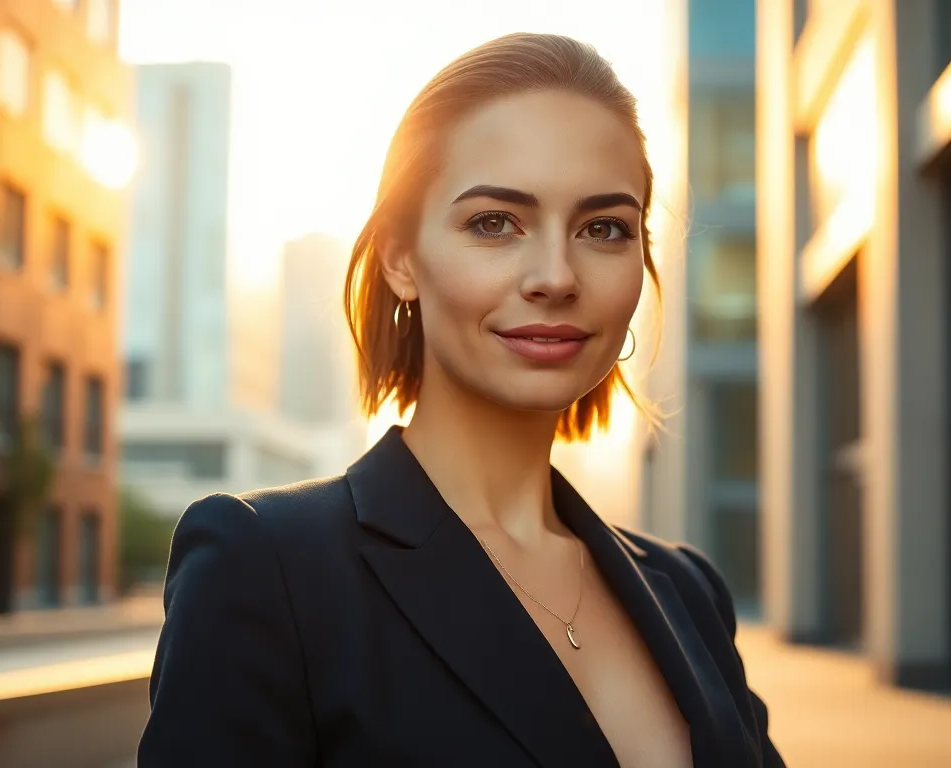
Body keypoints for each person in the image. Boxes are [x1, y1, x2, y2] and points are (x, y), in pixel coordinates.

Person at [137, 32, 784, 768]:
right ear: (401, 258)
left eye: (604, 228)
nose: (555, 275)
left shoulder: (689, 592)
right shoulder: (265, 568)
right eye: (495, 223)